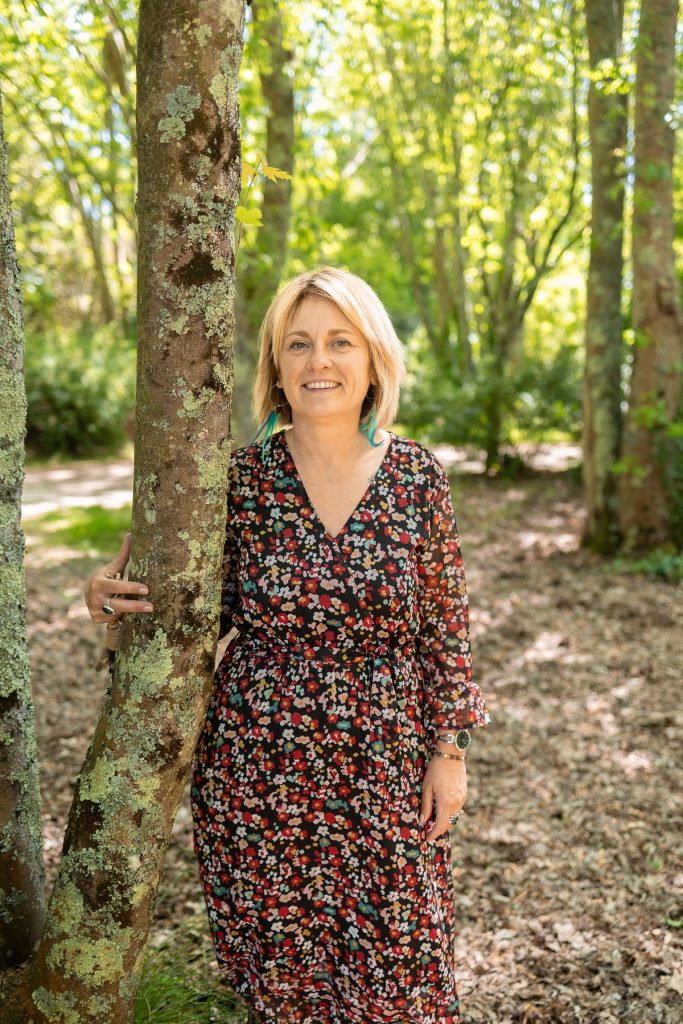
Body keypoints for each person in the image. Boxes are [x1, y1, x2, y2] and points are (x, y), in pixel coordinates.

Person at [84, 266, 491, 1024]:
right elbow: (166, 593)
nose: (318, 361)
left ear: (373, 360)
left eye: (339, 341)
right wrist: (105, 592)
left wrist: (449, 753)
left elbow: (444, 629)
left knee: (403, 976)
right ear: (274, 365)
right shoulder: (236, 480)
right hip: (259, 769)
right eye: (297, 344)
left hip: (385, 762)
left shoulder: (416, 480)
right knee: (286, 986)